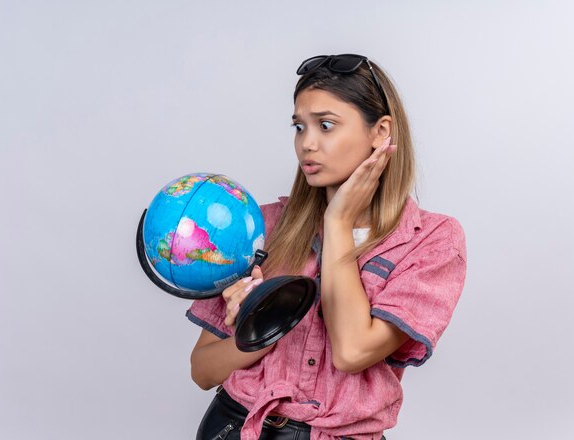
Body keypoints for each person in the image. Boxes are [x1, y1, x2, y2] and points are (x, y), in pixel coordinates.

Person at [185, 54, 467, 440]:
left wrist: (337, 222)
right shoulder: (261, 224)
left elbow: (352, 352)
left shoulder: (432, 241)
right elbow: (203, 371)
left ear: (380, 131)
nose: (307, 143)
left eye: (326, 125)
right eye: (299, 127)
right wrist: (259, 329)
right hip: (235, 427)